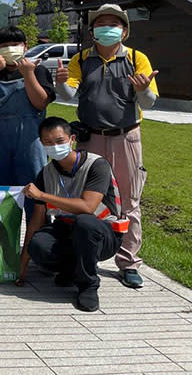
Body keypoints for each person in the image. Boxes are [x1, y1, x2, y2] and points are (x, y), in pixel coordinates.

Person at [55, 3, 158, 289]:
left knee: (128, 199)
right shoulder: (81, 59)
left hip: (126, 137)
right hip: (90, 138)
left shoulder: (138, 58)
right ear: (92, 31)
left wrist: (142, 89)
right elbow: (68, 94)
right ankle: (86, 257)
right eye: (101, 23)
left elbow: (149, 102)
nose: (107, 28)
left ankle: (128, 262)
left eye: (114, 23)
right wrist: (61, 83)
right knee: (87, 199)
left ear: (124, 31)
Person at [17, 117, 126, 312]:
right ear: (41, 144)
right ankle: (71, 269)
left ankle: (88, 286)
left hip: (103, 233)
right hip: (68, 229)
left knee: (85, 222)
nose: (55, 147)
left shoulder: (97, 165)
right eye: (48, 143)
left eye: (60, 141)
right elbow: (35, 221)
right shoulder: (45, 174)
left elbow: (88, 207)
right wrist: (24, 263)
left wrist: (42, 195)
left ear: (72, 139)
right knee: (39, 244)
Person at [0, 25, 55, 219]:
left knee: (34, 193)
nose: (11, 49)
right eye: (5, 45)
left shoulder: (38, 70)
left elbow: (40, 102)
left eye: (15, 44)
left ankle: (34, 241)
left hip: (30, 142)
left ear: (25, 46)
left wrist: (28, 74)